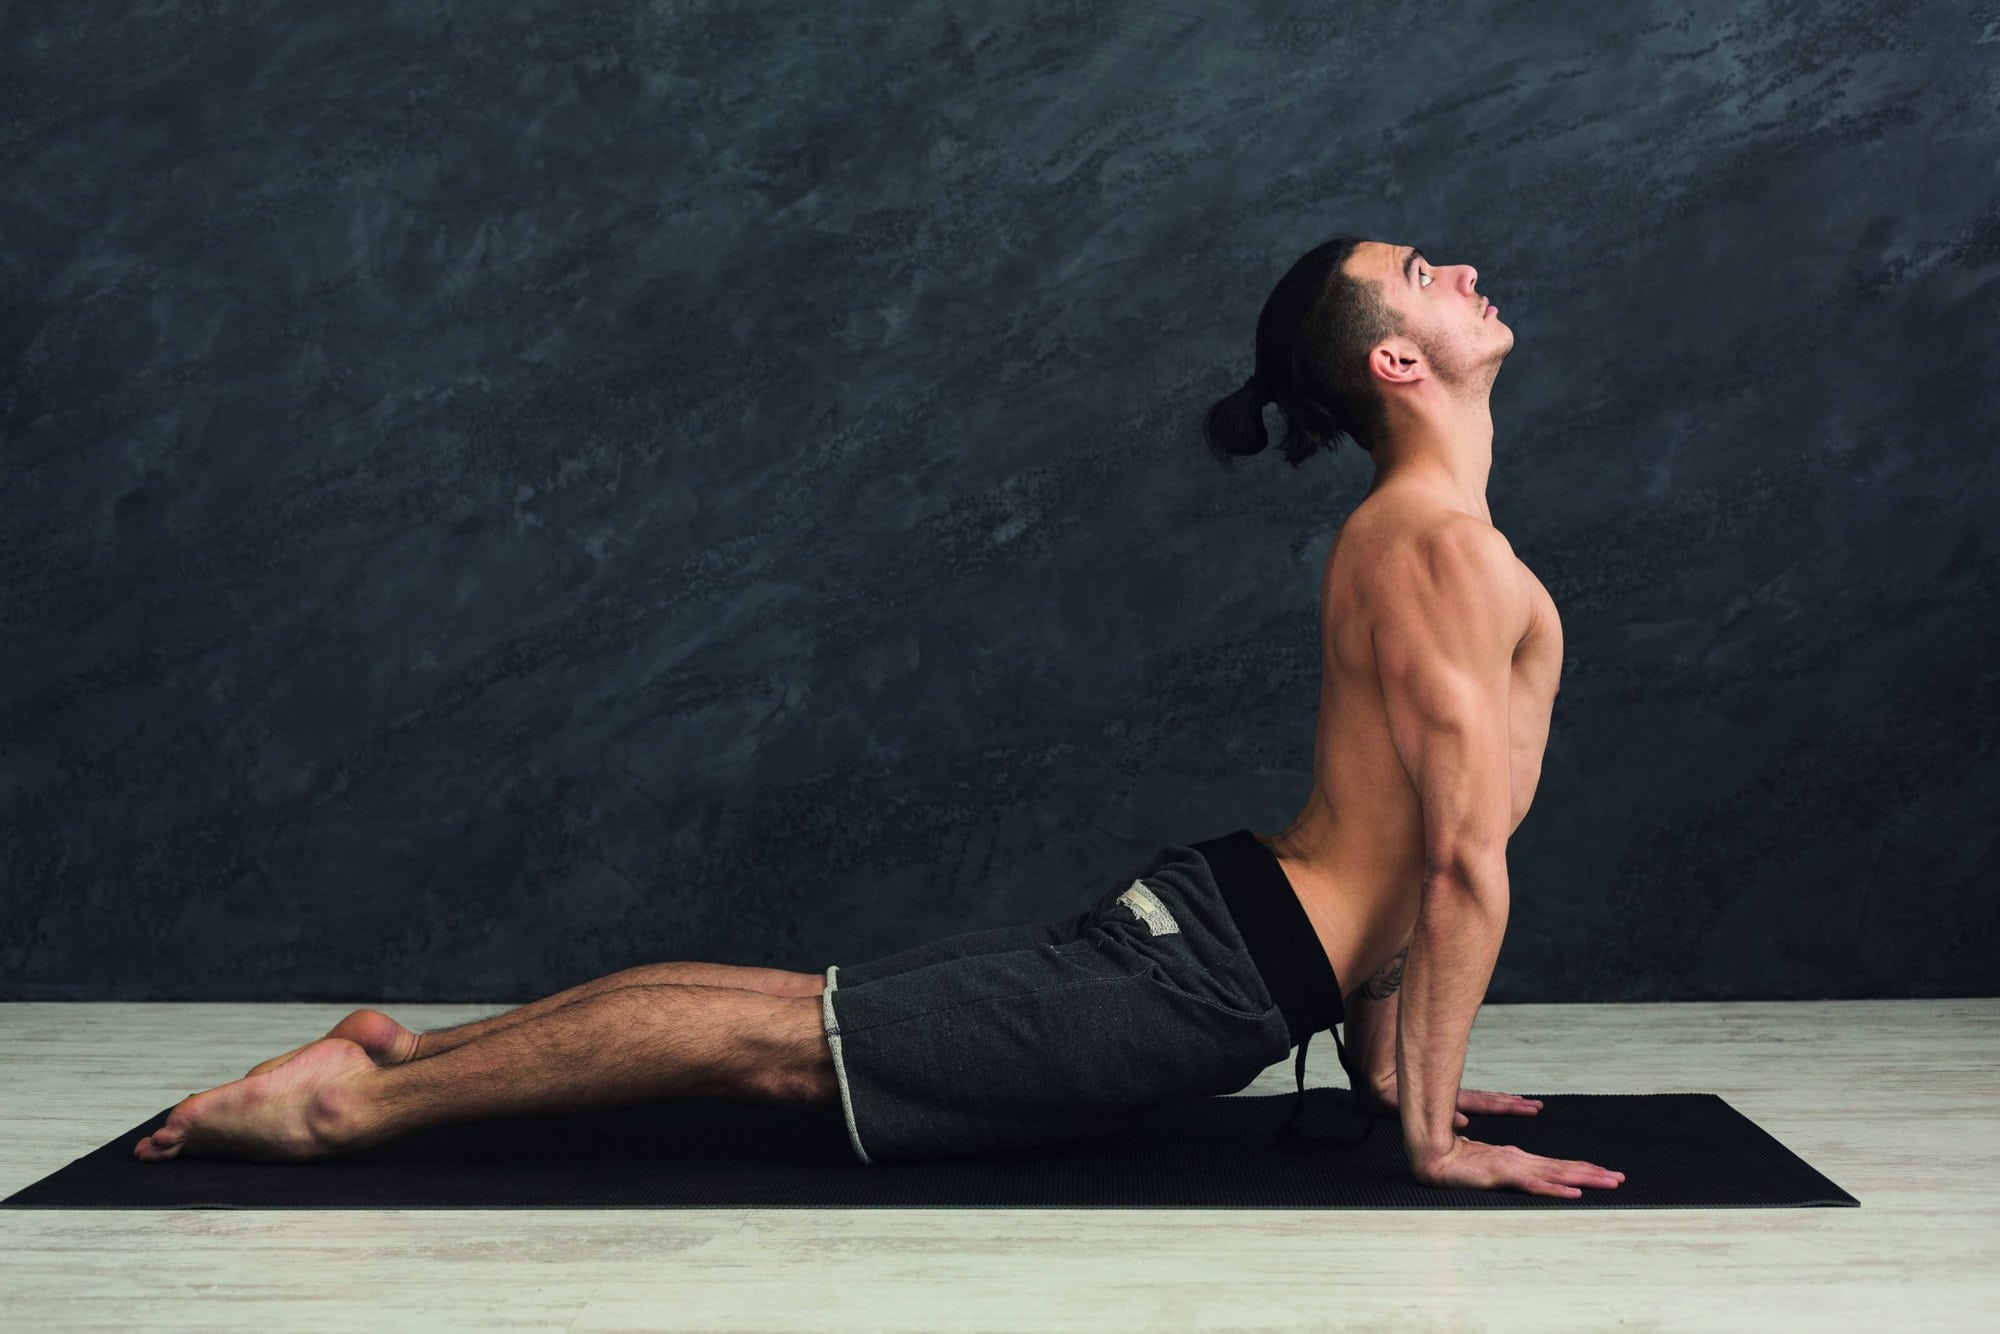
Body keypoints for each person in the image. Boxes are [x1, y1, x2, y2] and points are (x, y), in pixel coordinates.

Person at [136, 235, 1623, 1201]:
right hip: (1214, 975)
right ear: (1397, 362)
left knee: (803, 1012)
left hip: (1232, 928)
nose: (1469, 268)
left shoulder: (1415, 530)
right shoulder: (1443, 545)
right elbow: (1457, 861)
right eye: (1428, 272)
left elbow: (1414, 835)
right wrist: (1427, 1134)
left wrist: (1389, 1061)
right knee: (789, 1040)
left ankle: (406, 1063)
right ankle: (357, 1111)